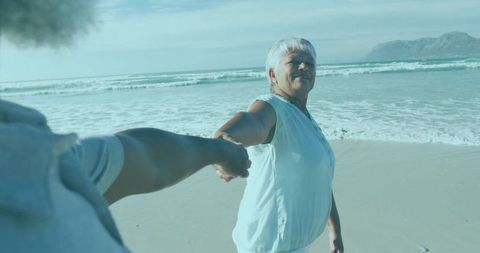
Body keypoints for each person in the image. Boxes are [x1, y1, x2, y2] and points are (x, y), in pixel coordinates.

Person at [0, 99, 250, 252]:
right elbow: (145, 158)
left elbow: (145, 158)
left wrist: (220, 150)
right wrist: (221, 151)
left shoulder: (22, 156)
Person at [213, 38, 344, 253]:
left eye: (310, 64)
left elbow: (320, 179)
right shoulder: (272, 107)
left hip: (297, 244)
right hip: (268, 245)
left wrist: (335, 233)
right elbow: (253, 121)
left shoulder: (304, 117)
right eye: (294, 61)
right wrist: (224, 141)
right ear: (273, 74)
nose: (304, 67)